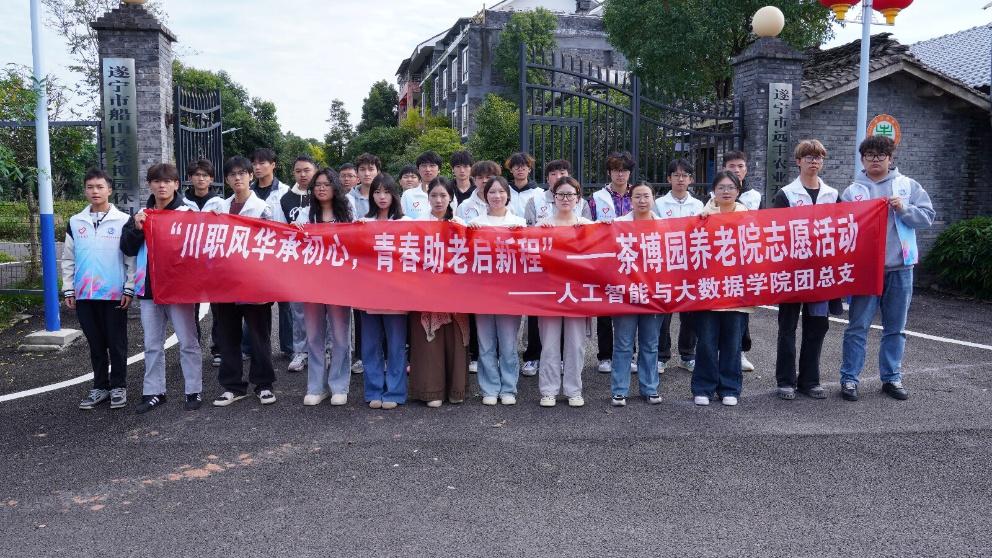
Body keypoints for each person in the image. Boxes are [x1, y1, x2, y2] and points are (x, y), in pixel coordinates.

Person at [838, 135, 934, 401]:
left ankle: (891, 377)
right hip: (865, 270)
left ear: (890, 159)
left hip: (900, 267)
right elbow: (840, 228)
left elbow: (927, 217)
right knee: (857, 327)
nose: (875, 160)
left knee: (896, 328)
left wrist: (904, 209)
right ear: (862, 159)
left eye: (881, 155)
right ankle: (849, 379)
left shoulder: (907, 186)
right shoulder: (852, 192)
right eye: (869, 155)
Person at [120, 163, 203, 413]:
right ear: (150, 185)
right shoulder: (141, 215)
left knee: (188, 341)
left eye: (167, 181)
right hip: (149, 289)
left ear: (176, 184)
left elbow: (200, 247)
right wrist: (137, 229)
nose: (162, 186)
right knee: (152, 343)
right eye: (156, 181)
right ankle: (154, 392)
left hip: (180, 289)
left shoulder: (189, 213)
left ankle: (193, 390)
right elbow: (127, 248)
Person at [771, 140, 839, 401]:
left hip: (821, 274)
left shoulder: (832, 194)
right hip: (792, 271)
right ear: (798, 161)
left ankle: (810, 380)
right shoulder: (786, 194)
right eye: (808, 157)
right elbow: (776, 232)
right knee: (787, 326)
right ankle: (785, 380)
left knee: (817, 325)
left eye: (818, 157)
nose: (814, 161)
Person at [64, 168, 135, 411]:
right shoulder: (76, 221)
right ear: (85, 190)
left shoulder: (123, 220)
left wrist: (129, 289)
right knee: (95, 344)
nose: (95, 191)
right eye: (90, 187)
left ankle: (119, 386)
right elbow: (68, 259)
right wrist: (69, 289)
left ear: (109, 190)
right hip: (85, 294)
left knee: (116, 343)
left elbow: (131, 259)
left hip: (113, 294)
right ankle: (100, 387)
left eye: (100, 187)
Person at [211, 156, 277, 407]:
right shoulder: (219, 207)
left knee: (259, 336)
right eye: (232, 174)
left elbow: (271, 245)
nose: (237, 178)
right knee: (228, 335)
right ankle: (233, 386)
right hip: (224, 281)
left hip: (254, 282)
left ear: (251, 176)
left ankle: (263, 384)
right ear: (227, 179)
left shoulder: (263, 208)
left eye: (242, 173)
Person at [691, 171, 753, 407]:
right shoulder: (701, 217)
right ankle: (703, 387)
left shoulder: (748, 218)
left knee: (732, 342)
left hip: (737, 291)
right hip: (708, 289)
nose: (726, 191)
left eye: (731, 187)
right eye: (721, 187)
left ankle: (730, 388)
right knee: (706, 341)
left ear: (738, 191)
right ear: (713, 191)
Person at [408, 177, 470, 408]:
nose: (438, 200)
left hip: (454, 291)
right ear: (428, 198)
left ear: (451, 198)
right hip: (425, 291)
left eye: (443, 195)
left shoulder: (460, 223)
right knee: (429, 341)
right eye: (434, 195)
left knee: (455, 339)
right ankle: (430, 389)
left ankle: (455, 388)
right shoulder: (417, 224)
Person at [297, 168, 354, 406]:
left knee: (340, 336)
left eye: (326, 184)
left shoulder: (348, 213)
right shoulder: (305, 214)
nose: (321, 188)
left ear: (335, 188)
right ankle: (316, 386)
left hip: (339, 284)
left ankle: (339, 385)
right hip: (311, 284)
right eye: (317, 185)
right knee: (314, 336)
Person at [468, 176, 527, 405]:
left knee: (508, 344)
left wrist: (519, 235)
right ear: (485, 195)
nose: (497, 196)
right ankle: (489, 388)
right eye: (492, 192)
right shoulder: (476, 223)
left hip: (509, 293)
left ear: (508, 195)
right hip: (482, 292)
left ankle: (509, 387)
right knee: (486, 343)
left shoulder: (519, 223)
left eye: (501, 191)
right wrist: (470, 232)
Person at [536, 176, 593, 408]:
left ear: (578, 198)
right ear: (554, 197)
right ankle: (548, 390)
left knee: (576, 344)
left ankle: (573, 390)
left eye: (570, 194)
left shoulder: (588, 226)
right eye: (561, 194)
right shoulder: (542, 225)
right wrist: (540, 234)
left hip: (577, 293)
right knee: (549, 343)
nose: (566, 198)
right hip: (549, 292)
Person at [609, 181, 663, 407]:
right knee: (623, 344)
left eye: (646, 196)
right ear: (630, 200)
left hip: (653, 294)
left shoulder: (665, 226)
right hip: (626, 294)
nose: (642, 201)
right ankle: (619, 390)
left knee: (650, 344)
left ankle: (650, 388)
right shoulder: (617, 225)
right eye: (637, 196)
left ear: (653, 199)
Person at [358, 174, 409, 409]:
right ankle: (374, 390)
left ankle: (395, 391)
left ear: (394, 195)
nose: (381, 197)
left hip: (397, 293)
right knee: (370, 345)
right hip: (369, 292)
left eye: (386, 192)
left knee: (396, 345)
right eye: (377, 192)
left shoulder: (406, 223)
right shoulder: (362, 222)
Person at [588, 151, 635, 374]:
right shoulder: (597, 198)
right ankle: (605, 355)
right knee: (605, 308)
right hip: (605, 259)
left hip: (632, 259)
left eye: (624, 170)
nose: (620, 174)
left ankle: (630, 354)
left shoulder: (638, 194)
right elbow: (588, 227)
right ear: (609, 172)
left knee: (630, 307)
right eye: (616, 170)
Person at [654, 158, 702, 375]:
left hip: (691, 265)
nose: (680, 179)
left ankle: (687, 355)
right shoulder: (659, 204)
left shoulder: (698, 205)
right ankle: (661, 355)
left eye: (685, 175)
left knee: (690, 312)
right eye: (676, 175)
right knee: (664, 312)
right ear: (669, 178)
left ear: (691, 179)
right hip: (665, 265)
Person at [456, 160, 501, 374]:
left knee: (500, 311)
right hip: (473, 267)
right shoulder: (465, 206)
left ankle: (498, 354)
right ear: (474, 180)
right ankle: (475, 354)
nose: (484, 181)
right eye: (480, 177)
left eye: (488, 177)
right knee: (475, 313)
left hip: (500, 267)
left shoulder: (504, 202)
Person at [249, 148, 293, 360]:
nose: (257, 167)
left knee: (286, 304)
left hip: (280, 253)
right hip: (254, 255)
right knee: (254, 303)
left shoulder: (286, 191)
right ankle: (252, 347)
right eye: (254, 163)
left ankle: (289, 347)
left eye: (262, 163)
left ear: (273, 165)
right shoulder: (247, 190)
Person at [182, 158, 224, 368]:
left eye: (205, 175)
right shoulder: (181, 203)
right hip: (189, 263)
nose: (201, 179)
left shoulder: (220, 204)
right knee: (191, 308)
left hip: (213, 263)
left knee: (219, 308)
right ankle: (193, 347)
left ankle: (219, 348)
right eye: (197, 175)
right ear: (190, 178)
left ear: (211, 179)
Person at [722, 151, 759, 372]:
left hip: (744, 261)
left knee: (743, 308)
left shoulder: (755, 197)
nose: (736, 170)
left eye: (740, 166)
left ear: (746, 169)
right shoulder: (714, 195)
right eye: (731, 166)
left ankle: (740, 351)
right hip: (719, 262)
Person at [282, 155, 317, 374]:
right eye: (298, 171)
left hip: (323, 262)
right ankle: (301, 351)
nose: (303, 175)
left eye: (307, 170)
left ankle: (327, 350)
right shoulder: (286, 199)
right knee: (299, 310)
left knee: (326, 309)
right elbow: (278, 228)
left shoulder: (325, 194)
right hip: (296, 261)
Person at [349, 153, 381, 375]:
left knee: (385, 309)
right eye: (363, 169)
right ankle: (360, 355)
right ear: (357, 173)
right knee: (360, 312)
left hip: (382, 262)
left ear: (378, 171)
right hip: (358, 263)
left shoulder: (386, 194)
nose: (367, 173)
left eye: (371, 169)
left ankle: (382, 354)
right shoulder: (347, 199)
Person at [524, 159, 591, 225]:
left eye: (562, 173)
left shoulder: (582, 203)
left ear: (569, 177)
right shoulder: (534, 202)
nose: (558, 177)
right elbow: (529, 229)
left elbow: (589, 229)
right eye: (553, 174)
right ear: (547, 179)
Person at [401, 152, 441, 220]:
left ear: (439, 170)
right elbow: (401, 220)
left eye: (432, 166)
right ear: (418, 170)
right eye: (424, 166)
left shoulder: (448, 194)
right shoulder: (408, 195)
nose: (428, 169)